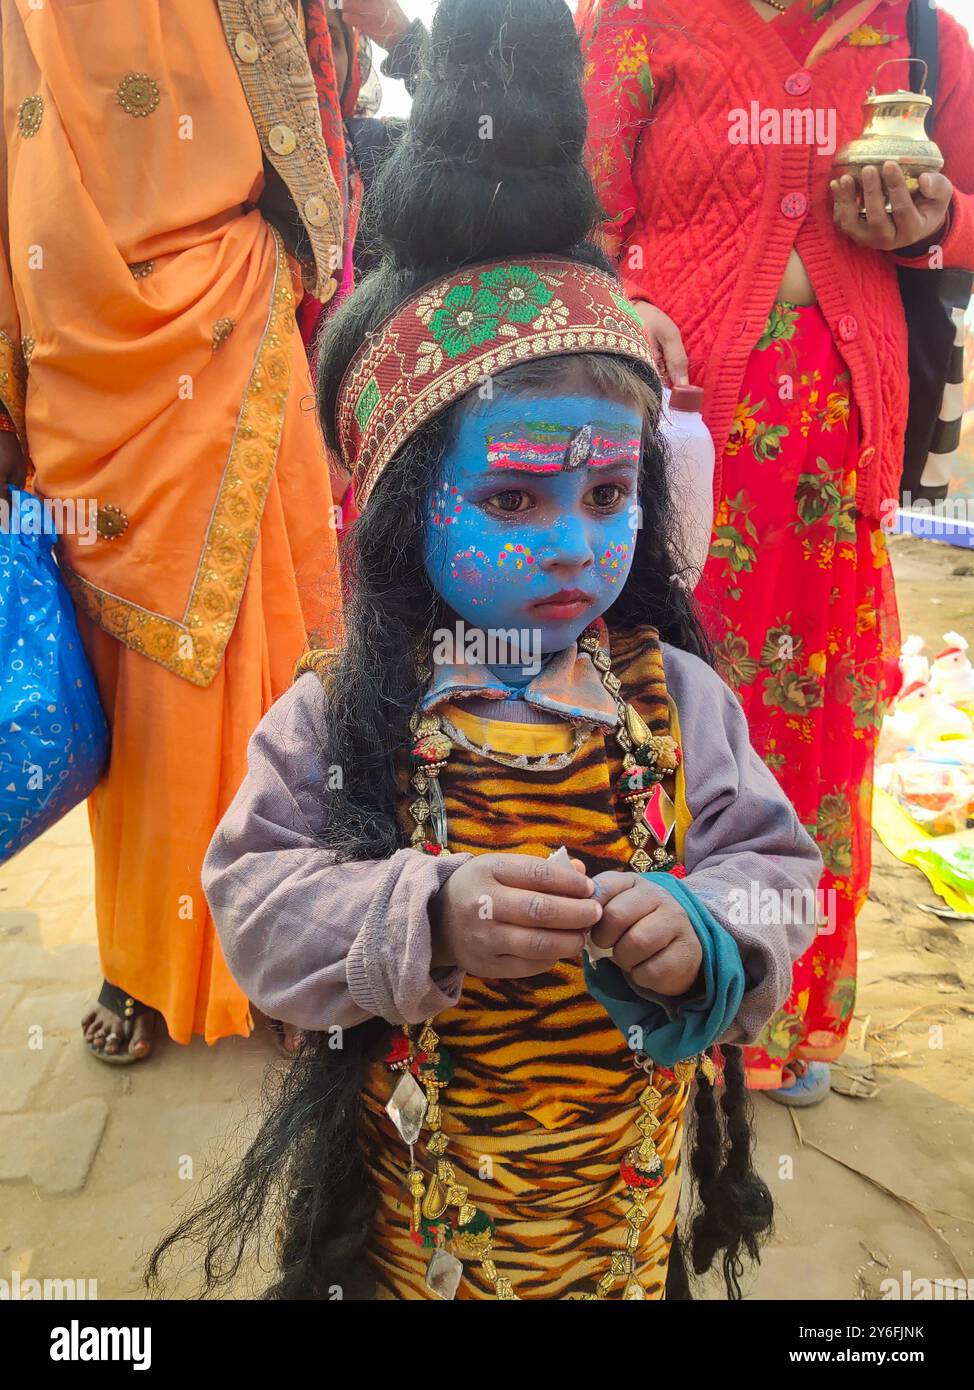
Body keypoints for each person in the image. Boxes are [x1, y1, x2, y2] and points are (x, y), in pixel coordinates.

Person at [148, 0, 821, 1302]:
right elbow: (255, 910)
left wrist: (707, 922)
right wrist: (427, 909)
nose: (574, 539)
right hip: (418, 1244)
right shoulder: (345, 714)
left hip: (615, 1232)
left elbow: (783, 879)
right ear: (409, 504)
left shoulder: (677, 702)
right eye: (514, 497)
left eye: (606, 493)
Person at [578, 0, 974, 1102]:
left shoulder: (917, 34)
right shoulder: (637, 19)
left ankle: (782, 1007)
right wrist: (630, 298)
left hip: (831, 457)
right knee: (662, 711)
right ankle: (651, 989)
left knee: (820, 722)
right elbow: (576, 211)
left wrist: (931, 226)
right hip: (676, 444)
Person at [0, 1, 365, 1061]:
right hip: (115, 335)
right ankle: (171, 958)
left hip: (190, 324)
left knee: (230, 655)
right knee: (167, 671)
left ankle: (250, 946)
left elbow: (317, 86)